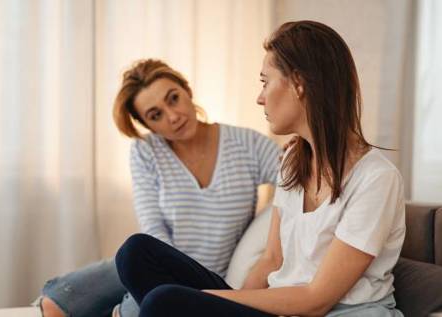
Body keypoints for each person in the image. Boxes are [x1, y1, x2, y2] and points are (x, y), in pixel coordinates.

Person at [115, 20, 406, 317]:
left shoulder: (376, 179)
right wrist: (215, 304)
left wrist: (197, 299)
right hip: (281, 309)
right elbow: (271, 259)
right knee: (134, 253)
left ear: (299, 83)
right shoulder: (294, 164)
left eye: (265, 82)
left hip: (331, 312)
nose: (260, 97)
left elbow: (316, 299)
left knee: (162, 302)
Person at [38, 59, 280, 317]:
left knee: (132, 308)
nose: (173, 117)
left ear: (187, 90)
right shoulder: (146, 151)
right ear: (147, 125)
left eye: (173, 98)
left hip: (203, 278)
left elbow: (296, 177)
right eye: (156, 115)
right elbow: (153, 228)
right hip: (154, 262)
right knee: (54, 304)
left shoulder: (247, 145)